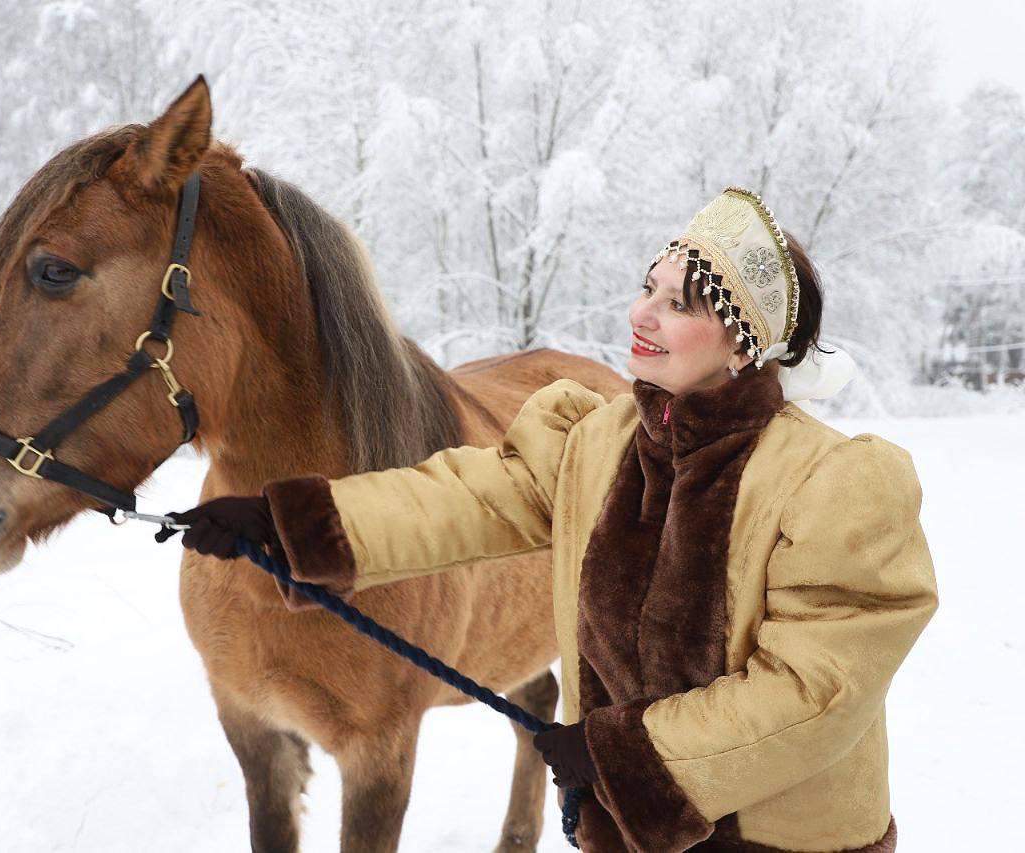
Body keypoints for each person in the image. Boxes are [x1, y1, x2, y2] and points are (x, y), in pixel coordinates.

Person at [166, 187, 938, 851]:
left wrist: (625, 758)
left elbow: (816, 694)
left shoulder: (840, 482)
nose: (643, 314)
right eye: (649, 287)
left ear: (744, 344)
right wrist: (296, 524)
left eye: (679, 304)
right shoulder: (597, 441)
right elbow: (463, 498)